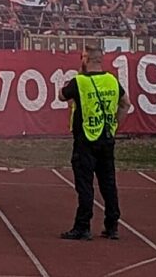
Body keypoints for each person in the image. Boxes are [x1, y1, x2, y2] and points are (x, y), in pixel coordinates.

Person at [59, 45, 131, 240]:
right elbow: (126, 103)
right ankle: (112, 225)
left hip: (85, 139)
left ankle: (83, 226)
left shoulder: (79, 81)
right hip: (107, 138)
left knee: (85, 185)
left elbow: (61, 95)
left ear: (86, 59)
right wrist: (115, 124)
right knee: (108, 183)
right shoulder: (112, 80)